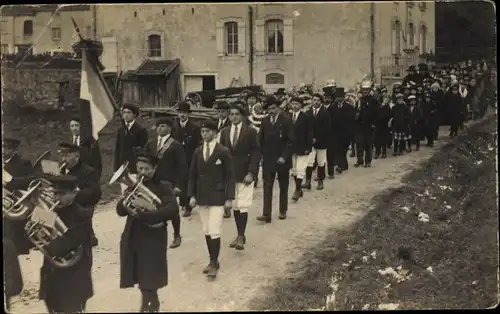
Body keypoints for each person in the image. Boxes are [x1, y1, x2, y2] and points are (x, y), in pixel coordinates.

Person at [116, 152, 179, 312]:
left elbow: (172, 209)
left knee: (149, 273)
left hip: (153, 236)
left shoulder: (163, 186)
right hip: (134, 234)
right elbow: (120, 211)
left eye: (146, 169)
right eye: (139, 169)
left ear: (154, 168)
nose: (142, 173)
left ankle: (150, 304)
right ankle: (148, 302)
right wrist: (125, 202)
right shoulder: (133, 185)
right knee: (138, 271)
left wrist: (148, 215)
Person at [38, 172, 100, 314]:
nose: (56, 198)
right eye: (54, 193)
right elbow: (30, 232)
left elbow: (71, 240)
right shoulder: (49, 212)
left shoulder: (82, 215)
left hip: (74, 278)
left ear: (74, 193)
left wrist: (48, 247)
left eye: (61, 193)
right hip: (52, 276)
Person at [188, 120, 235, 279]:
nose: (205, 134)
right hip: (202, 196)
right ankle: (211, 260)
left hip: (217, 195)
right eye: (203, 132)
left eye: (208, 131)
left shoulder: (223, 151)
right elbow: (192, 175)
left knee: (214, 230)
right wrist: (192, 195)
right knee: (207, 230)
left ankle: (215, 262)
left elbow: (230, 176)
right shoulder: (197, 151)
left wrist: (229, 198)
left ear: (215, 133)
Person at [219, 102, 260, 250]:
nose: (234, 117)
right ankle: (239, 234)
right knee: (235, 205)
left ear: (242, 116)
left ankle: (241, 236)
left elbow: (256, 152)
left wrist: (252, 172)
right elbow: (221, 154)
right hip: (230, 174)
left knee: (243, 205)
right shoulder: (224, 132)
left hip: (245, 173)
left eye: (237, 114)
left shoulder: (250, 132)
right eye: (231, 114)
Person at [146, 118, 188, 249]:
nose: (160, 129)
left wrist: (180, 185)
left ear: (169, 128)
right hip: (154, 182)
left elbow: (182, 167)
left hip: (169, 181)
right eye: (158, 126)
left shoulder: (176, 145)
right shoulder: (151, 143)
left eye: (163, 126)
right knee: (154, 207)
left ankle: (176, 235)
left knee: (172, 209)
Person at [257, 96, 294, 222]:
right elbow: (260, 140)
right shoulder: (265, 121)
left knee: (283, 186)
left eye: (274, 108)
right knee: (267, 186)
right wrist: (260, 156)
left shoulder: (286, 121)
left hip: (282, 160)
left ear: (278, 108)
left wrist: (284, 156)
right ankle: (266, 214)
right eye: (269, 109)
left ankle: (283, 210)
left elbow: (290, 141)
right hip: (268, 159)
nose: (272, 111)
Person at [68, 116, 102, 246]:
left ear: (81, 128)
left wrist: (95, 179)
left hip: (88, 179)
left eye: (76, 126)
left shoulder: (90, 143)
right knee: (78, 209)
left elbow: (97, 163)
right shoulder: (70, 143)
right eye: (72, 126)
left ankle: (89, 236)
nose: (74, 128)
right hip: (74, 181)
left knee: (87, 209)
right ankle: (89, 236)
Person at [173, 101, 202, 218]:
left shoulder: (194, 127)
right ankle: (183, 203)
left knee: (190, 180)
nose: (182, 115)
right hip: (178, 159)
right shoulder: (174, 127)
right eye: (180, 113)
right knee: (180, 180)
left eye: (184, 113)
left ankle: (189, 205)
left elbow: (198, 144)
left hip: (191, 158)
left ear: (188, 114)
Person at [114, 103, 149, 195]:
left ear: (134, 114)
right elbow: (117, 149)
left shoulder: (141, 130)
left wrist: (141, 168)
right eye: (124, 112)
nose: (125, 115)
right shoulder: (121, 130)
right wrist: (116, 168)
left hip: (135, 167)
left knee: (136, 193)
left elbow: (143, 151)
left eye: (128, 112)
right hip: (123, 168)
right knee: (124, 193)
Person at [303, 93, 331, 190]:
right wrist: (309, 138)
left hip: (321, 142)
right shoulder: (308, 113)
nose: (315, 102)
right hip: (310, 142)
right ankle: (307, 181)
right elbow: (306, 128)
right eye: (314, 100)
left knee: (321, 161)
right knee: (309, 162)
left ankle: (320, 181)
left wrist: (317, 138)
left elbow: (326, 129)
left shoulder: (325, 113)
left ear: (321, 102)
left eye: (318, 100)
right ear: (311, 101)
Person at [289, 97, 313, 202]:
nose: (294, 106)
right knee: (294, 170)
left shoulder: (306, 117)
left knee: (301, 169)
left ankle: (297, 190)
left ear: (300, 105)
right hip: (291, 148)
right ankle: (299, 189)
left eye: (296, 104)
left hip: (303, 147)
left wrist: (308, 147)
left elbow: (310, 133)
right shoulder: (288, 117)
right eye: (293, 104)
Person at [354, 81, 378, 168]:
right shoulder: (359, 100)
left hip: (369, 125)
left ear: (369, 90)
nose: (365, 91)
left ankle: (368, 161)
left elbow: (376, 113)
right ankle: (359, 160)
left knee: (368, 144)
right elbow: (356, 111)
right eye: (363, 89)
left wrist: (374, 124)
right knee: (359, 144)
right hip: (360, 125)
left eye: (367, 90)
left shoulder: (373, 100)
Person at [374, 94, 392, 159]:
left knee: (383, 140)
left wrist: (382, 118)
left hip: (384, 125)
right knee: (377, 139)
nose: (386, 100)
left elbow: (388, 116)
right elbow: (375, 113)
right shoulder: (378, 105)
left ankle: (384, 153)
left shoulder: (388, 107)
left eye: (388, 99)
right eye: (385, 98)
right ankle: (377, 152)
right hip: (378, 125)